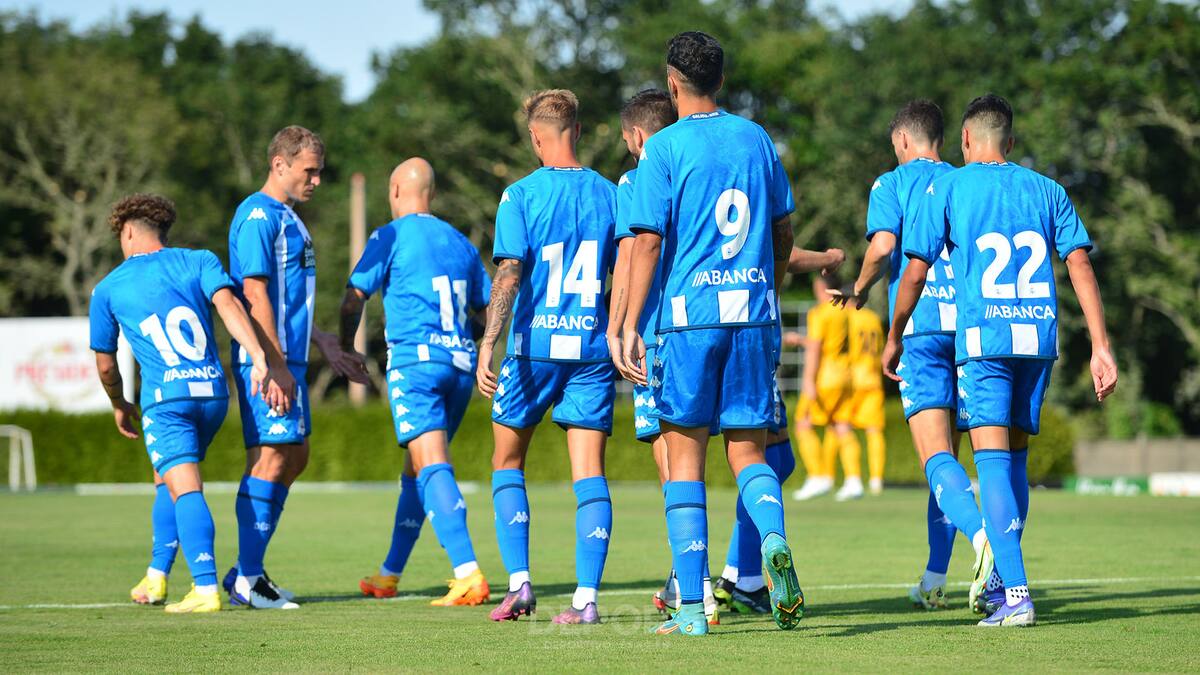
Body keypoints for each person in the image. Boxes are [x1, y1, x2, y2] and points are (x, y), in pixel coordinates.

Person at [886, 94, 1118, 627]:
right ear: (1010, 143)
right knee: (1014, 462)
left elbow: (916, 270)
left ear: (965, 140)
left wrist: (895, 333)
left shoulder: (948, 186)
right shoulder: (1048, 189)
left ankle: (1014, 592)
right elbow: (1079, 261)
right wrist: (1100, 344)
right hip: (1037, 340)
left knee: (988, 460)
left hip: (985, 340)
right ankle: (1003, 582)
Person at [620, 31, 806, 636]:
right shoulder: (756, 139)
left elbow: (646, 240)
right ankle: (773, 540)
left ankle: (694, 611)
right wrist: (770, 286)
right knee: (749, 452)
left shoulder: (664, 148)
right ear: (721, 82)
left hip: (689, 319)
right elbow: (782, 226)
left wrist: (627, 324)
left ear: (672, 84)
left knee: (685, 461)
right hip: (753, 313)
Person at [832, 99, 993, 611]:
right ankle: (934, 578)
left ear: (902, 141)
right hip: (969, 331)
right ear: (943, 140)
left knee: (935, 458)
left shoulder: (890, 183)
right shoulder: (964, 180)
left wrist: (858, 290)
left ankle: (984, 537)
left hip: (921, 329)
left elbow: (882, 247)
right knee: (951, 463)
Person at [90, 193, 280, 613]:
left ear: (128, 232)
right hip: (212, 394)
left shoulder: (108, 287)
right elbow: (229, 306)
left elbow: (106, 366)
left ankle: (205, 587)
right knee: (168, 480)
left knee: (186, 487)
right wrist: (260, 357)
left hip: (167, 400)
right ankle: (157, 576)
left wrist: (119, 402)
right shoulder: (200, 260)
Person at [476, 89, 618, 625]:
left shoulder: (519, 195)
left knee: (507, 461)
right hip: (592, 347)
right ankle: (585, 600)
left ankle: (520, 586)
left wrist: (489, 341)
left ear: (536, 137)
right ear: (577, 131)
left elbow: (509, 274)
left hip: (533, 349)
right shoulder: (611, 195)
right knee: (590, 473)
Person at [223, 126, 369, 609]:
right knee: (274, 457)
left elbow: (288, 301)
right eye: (309, 171)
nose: (317, 180)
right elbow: (256, 294)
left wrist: (325, 342)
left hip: (289, 358)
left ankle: (249, 570)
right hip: (268, 361)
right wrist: (274, 364)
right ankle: (247, 577)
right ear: (279, 164)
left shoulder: (289, 218)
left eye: (320, 172)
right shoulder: (257, 216)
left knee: (295, 454)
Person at [341, 158, 491, 607]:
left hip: (417, 365)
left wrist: (347, 349)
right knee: (417, 468)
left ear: (394, 191)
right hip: (460, 367)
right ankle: (389, 573)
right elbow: (484, 313)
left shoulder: (389, 235)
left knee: (431, 466)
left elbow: (354, 298)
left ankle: (467, 573)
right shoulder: (460, 241)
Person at [789, 276, 855, 501]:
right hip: (846, 375)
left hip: (825, 377)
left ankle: (818, 476)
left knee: (803, 424)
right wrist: (801, 340)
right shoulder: (845, 312)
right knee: (841, 426)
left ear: (821, 288)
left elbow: (816, 348)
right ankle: (853, 479)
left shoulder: (820, 312)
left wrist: (808, 380)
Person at [845, 305, 887, 494]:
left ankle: (851, 478)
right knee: (874, 431)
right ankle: (876, 479)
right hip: (873, 378)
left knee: (840, 427)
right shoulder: (873, 318)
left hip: (852, 380)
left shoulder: (847, 318)